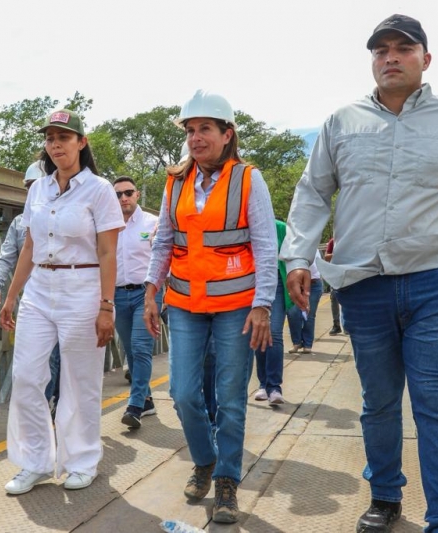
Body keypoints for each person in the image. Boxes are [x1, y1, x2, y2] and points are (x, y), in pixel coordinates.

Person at [281, 15, 438, 533]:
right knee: (379, 402)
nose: (390, 57)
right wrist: (297, 258)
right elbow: (313, 192)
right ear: (372, 60)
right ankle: (385, 495)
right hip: (364, 285)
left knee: (436, 405)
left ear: (425, 59)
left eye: (403, 48)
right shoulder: (342, 123)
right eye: (380, 49)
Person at [144, 90, 276, 524]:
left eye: (205, 129)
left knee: (231, 396)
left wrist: (263, 304)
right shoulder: (175, 181)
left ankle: (226, 480)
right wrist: (151, 288)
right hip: (184, 302)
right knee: (181, 393)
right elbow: (164, 238)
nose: (196, 138)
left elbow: (265, 245)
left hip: (237, 305)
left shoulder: (247, 178)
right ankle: (204, 458)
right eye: (190, 130)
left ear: (227, 134)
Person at [0, 109, 124, 494]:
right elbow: (30, 246)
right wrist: (12, 295)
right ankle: (34, 461)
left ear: (81, 143)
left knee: (78, 380)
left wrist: (107, 306)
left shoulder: (100, 189)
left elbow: (107, 253)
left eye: (64, 138)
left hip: (82, 287)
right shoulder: (38, 188)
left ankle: (81, 461)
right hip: (40, 288)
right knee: (26, 377)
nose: (55, 145)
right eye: (50, 138)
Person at [0, 161, 61, 410]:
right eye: (29, 186)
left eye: (36, 185)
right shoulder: (20, 223)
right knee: (42, 359)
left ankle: (58, 403)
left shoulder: (70, 213)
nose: (33, 191)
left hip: (67, 298)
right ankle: (43, 407)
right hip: (34, 302)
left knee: (63, 358)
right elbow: (7, 256)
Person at [113, 176, 160, 428]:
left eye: (128, 193)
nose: (123, 198)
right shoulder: (108, 225)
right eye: (118, 194)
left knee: (141, 347)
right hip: (118, 295)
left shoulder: (153, 223)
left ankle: (135, 406)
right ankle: (148, 400)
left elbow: (164, 259)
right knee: (130, 349)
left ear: (137, 194)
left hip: (146, 294)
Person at [253, 219, 290, 405]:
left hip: (277, 283)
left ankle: (275, 387)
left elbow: (292, 257)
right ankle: (263, 384)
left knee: (274, 333)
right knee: (260, 333)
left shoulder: (280, 228)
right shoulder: (247, 224)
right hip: (253, 282)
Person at [286, 251, 323, 354]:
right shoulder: (292, 247)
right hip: (296, 284)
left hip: (314, 284)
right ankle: (296, 342)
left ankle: (307, 344)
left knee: (309, 314)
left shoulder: (313, 247)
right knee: (292, 313)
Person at [325, 238, 343, 335]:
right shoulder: (333, 241)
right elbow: (326, 257)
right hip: (335, 275)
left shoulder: (349, 239)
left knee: (347, 298)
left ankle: (347, 324)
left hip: (348, 273)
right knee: (334, 299)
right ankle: (336, 325)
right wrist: (338, 254)